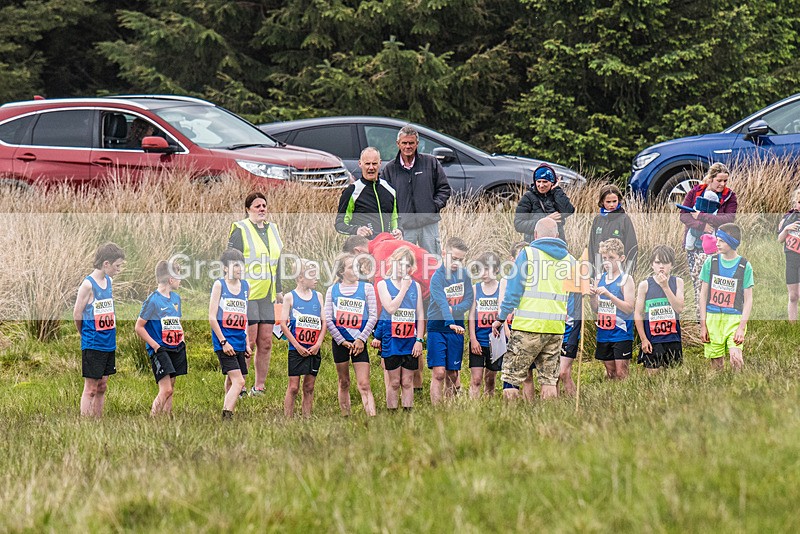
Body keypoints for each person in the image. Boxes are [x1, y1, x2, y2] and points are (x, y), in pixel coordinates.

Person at [492, 218, 576, 400]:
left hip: (527, 327)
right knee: (549, 379)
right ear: (557, 235)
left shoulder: (528, 254)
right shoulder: (571, 260)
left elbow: (513, 292)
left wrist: (500, 318)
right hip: (555, 329)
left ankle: (509, 421)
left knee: (511, 377)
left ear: (535, 235)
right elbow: (575, 297)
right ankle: (548, 422)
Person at [228, 192, 283, 397]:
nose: (262, 209)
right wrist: (233, 288)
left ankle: (259, 387)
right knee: (248, 343)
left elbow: (276, 262)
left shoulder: (273, 229)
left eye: (264, 205)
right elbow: (230, 259)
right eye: (257, 206)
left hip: (267, 295)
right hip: (248, 294)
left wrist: (278, 289)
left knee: (266, 342)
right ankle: (239, 384)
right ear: (248, 209)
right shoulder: (240, 229)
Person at [73, 243, 125, 418]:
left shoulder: (109, 281)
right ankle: (86, 424)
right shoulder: (87, 285)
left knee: (102, 385)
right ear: (106, 264)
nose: (119, 270)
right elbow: (77, 313)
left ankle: (98, 421)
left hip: (108, 342)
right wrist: (85, 334)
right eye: (117, 266)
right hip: (93, 342)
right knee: (91, 388)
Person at [382, 125, 452, 256]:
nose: (408, 146)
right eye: (404, 143)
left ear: (417, 144)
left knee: (433, 262)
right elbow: (385, 199)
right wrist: (395, 222)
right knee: (405, 263)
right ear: (398, 144)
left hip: (429, 223)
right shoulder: (390, 169)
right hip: (404, 227)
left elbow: (444, 189)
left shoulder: (431, 163)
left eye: (411, 143)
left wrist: (433, 206)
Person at [324, 253, 378, 417]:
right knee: (344, 381)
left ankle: (372, 417)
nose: (355, 270)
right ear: (341, 271)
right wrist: (341, 341)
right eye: (350, 267)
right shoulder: (332, 290)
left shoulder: (367, 288)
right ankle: (346, 416)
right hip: (341, 343)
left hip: (359, 342)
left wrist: (361, 339)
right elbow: (328, 318)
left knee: (364, 384)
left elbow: (373, 315)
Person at [679, 163, 738, 309]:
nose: (722, 184)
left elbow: (729, 219)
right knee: (698, 282)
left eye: (725, 181)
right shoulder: (695, 192)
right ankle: (701, 320)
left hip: (718, 245)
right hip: (694, 246)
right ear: (710, 179)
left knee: (717, 281)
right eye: (719, 180)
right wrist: (702, 226)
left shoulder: (730, 196)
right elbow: (684, 216)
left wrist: (703, 216)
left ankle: (718, 314)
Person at [134, 260, 187, 416]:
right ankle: (153, 419)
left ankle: (166, 419)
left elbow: (176, 321)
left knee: (171, 386)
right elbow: (139, 327)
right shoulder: (153, 300)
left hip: (176, 347)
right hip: (160, 349)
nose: (180, 280)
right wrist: (155, 346)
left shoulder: (176, 298)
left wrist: (182, 339)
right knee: (166, 389)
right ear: (170, 279)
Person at [376, 246, 425, 411]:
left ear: (410, 268)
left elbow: (420, 314)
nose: (401, 268)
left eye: (405, 265)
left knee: (407, 381)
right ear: (392, 263)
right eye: (398, 263)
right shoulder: (383, 284)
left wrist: (419, 340)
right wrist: (403, 288)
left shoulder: (416, 286)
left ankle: (407, 415)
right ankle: (392, 415)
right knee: (394, 382)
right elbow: (390, 308)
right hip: (392, 341)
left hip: (410, 340)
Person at [699, 224, 753, 371]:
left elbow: (748, 300)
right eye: (717, 239)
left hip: (734, 319)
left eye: (721, 240)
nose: (717, 243)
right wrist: (703, 325)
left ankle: (739, 390)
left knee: (736, 359)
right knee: (716, 366)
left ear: (732, 241)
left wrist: (741, 327)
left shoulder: (744, 266)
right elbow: (703, 295)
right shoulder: (710, 262)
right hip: (712, 319)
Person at [427, 237, 473, 404]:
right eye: (454, 258)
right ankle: (437, 409)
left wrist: (456, 311)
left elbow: (468, 300)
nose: (457, 263)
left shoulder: (464, 275)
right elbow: (442, 304)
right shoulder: (437, 278)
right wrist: (450, 321)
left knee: (452, 374)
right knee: (439, 372)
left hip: (457, 328)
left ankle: (449, 408)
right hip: (438, 327)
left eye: (460, 260)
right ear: (444, 253)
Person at [209, 248, 251, 420]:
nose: (239, 269)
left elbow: (245, 317)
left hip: (240, 341)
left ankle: (227, 406)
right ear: (225, 268)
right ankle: (227, 417)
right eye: (235, 266)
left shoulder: (246, 286)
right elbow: (212, 317)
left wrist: (247, 342)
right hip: (225, 341)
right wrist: (223, 342)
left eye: (241, 265)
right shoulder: (220, 285)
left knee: (231, 380)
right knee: (240, 382)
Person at [281, 260, 326, 418]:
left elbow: (324, 321)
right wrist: (297, 345)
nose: (316, 279)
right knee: (293, 387)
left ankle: (306, 418)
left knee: (309, 386)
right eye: (312, 275)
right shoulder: (289, 297)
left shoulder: (318, 296)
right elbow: (283, 324)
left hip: (314, 348)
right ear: (300, 277)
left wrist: (318, 343)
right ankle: (288, 419)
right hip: (296, 349)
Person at [633, 245, 685, 374]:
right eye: (657, 262)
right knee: (653, 376)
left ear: (671, 265)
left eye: (665, 262)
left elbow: (679, 308)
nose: (661, 266)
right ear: (652, 265)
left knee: (674, 378)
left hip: (672, 339)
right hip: (653, 340)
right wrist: (643, 339)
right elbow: (638, 314)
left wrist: (665, 287)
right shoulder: (645, 285)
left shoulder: (677, 282)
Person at [590, 238, 635, 380]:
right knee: (610, 373)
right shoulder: (599, 278)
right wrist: (592, 297)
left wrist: (609, 295)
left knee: (622, 373)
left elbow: (629, 308)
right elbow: (596, 309)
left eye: (611, 258)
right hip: (604, 332)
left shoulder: (626, 279)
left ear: (621, 258)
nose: (607, 262)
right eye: (604, 258)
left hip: (621, 332)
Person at [497, 240, 536, 400]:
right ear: (512, 259)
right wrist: (506, 329)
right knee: (511, 371)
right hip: (511, 328)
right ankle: (511, 408)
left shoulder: (533, 279)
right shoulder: (506, 280)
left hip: (527, 328)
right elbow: (501, 306)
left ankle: (529, 406)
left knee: (527, 373)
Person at [335, 147, 403, 240]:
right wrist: (356, 230)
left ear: (380, 163)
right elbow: (339, 225)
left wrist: (399, 230)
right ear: (360, 164)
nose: (371, 167)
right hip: (364, 248)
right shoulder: (352, 191)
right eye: (367, 164)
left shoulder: (390, 189)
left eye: (374, 163)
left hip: (386, 246)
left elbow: (396, 219)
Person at [468, 251, 501, 398]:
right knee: (476, 380)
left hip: (495, 342)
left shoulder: (502, 289)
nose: (483, 273)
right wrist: (473, 339)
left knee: (490, 379)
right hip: (478, 340)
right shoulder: (476, 289)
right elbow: (471, 316)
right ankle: (472, 410)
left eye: (487, 269)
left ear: (496, 270)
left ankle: (488, 407)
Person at [514, 163, 575, 242]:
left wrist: (556, 190)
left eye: (545, 182)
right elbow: (519, 225)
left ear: (552, 182)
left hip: (557, 243)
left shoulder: (556, 194)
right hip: (535, 244)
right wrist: (546, 220)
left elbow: (568, 211)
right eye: (538, 181)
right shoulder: (528, 197)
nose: (541, 185)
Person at [588, 184, 638, 275]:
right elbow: (592, 246)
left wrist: (628, 271)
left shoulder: (624, 219)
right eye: (608, 202)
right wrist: (591, 270)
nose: (612, 205)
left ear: (619, 200)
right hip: (599, 270)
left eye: (614, 201)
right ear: (602, 201)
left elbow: (631, 247)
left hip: (618, 270)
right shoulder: (597, 219)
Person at [778, 188, 800, 322]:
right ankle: (792, 326)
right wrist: (786, 228)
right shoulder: (788, 218)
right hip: (791, 260)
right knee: (792, 296)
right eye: (799, 202)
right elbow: (780, 239)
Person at [558, 291, 582, 395]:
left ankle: (573, 400)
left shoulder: (575, 283)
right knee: (554, 376)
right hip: (554, 331)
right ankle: (555, 405)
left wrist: (573, 337)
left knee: (563, 372)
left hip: (570, 332)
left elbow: (579, 312)